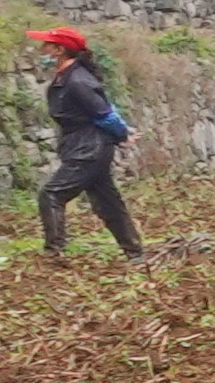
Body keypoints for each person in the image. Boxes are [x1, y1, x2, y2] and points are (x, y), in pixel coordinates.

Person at [32, 28, 140, 263]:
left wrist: (122, 134)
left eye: (47, 46)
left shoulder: (78, 81)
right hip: (85, 146)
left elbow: (104, 114)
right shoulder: (68, 77)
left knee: (51, 195)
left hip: (88, 149)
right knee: (107, 201)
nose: (41, 50)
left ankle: (54, 253)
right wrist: (120, 132)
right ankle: (135, 253)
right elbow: (104, 110)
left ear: (60, 51)